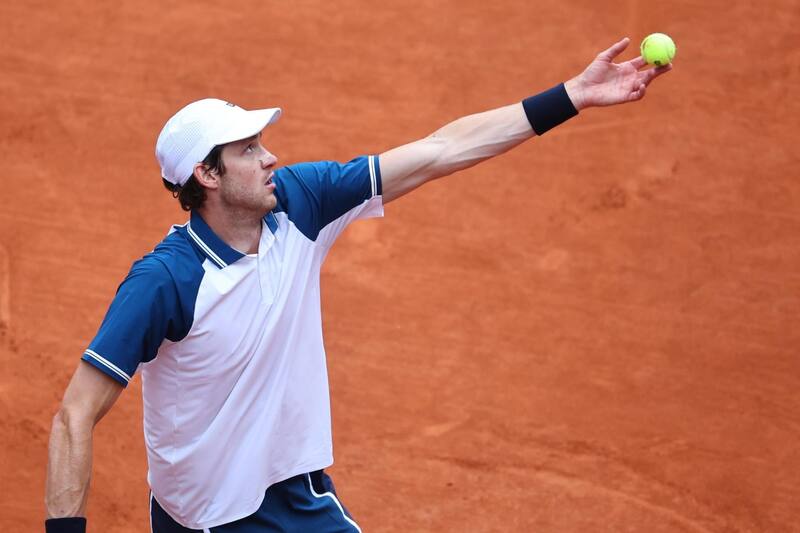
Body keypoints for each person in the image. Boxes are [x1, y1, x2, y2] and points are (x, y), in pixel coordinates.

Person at [44, 37, 671, 533]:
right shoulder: (166, 283)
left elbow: (440, 150)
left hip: (296, 487)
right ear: (206, 175)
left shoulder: (301, 204)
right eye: (249, 150)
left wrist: (572, 95)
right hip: (212, 517)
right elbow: (76, 414)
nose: (271, 158)